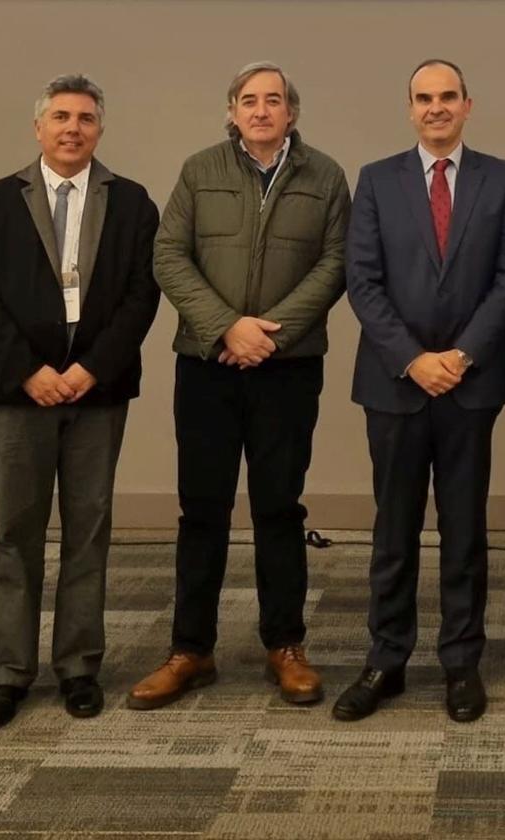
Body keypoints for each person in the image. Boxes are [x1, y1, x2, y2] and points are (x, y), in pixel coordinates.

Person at [128, 62, 349, 710]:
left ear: (292, 113)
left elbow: (337, 262)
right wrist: (228, 328)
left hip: (287, 368)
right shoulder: (200, 171)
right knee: (203, 511)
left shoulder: (326, 176)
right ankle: (190, 649)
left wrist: (268, 336)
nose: (260, 110)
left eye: (273, 100)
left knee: (279, 508)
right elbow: (168, 254)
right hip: (206, 365)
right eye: (248, 101)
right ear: (232, 112)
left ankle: (285, 645)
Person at [0, 74, 160, 728]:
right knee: (16, 532)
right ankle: (8, 672)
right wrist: (28, 372)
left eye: (86, 118)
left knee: (88, 530)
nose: (74, 128)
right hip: (17, 394)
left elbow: (141, 296)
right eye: (62, 117)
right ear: (38, 127)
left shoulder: (131, 203)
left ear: (101, 129)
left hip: (96, 393)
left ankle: (78, 667)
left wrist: (93, 368)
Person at [335, 59, 505, 723]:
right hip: (395, 384)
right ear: (409, 107)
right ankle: (386, 658)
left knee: (465, 530)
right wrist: (415, 360)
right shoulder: (377, 180)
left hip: (470, 387)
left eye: (448, 97)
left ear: (468, 105)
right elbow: (362, 281)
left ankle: (460, 662)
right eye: (424, 98)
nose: (436, 107)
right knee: (393, 531)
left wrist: (461, 355)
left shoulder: (501, 180)